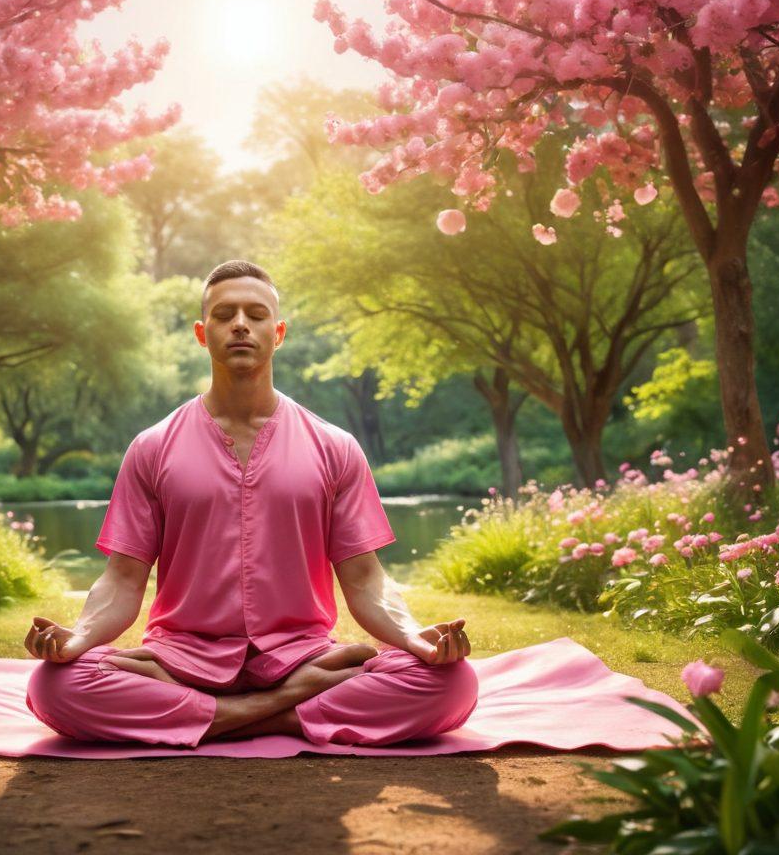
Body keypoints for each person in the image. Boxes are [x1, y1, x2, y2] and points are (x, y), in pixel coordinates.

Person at [23, 260, 478, 747]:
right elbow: (121, 580)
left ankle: (212, 719)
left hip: (303, 657)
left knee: (451, 683)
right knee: (56, 685)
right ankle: (286, 708)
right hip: (181, 659)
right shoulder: (152, 447)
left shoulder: (336, 446)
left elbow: (366, 579)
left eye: (256, 314)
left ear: (278, 332)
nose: (240, 324)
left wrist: (411, 637)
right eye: (225, 315)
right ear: (203, 333)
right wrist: (78, 638)